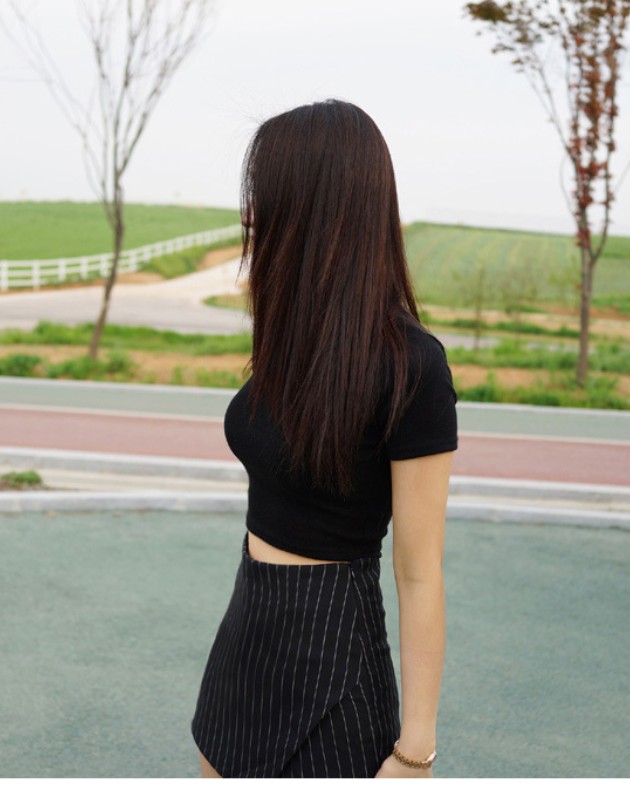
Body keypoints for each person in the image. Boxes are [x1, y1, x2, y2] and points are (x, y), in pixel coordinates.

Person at [190, 99, 458, 779]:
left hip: (333, 656)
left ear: (315, 203)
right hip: (246, 632)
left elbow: (420, 571)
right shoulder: (291, 336)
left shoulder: (413, 366)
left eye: (266, 193)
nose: (252, 213)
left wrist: (416, 750)